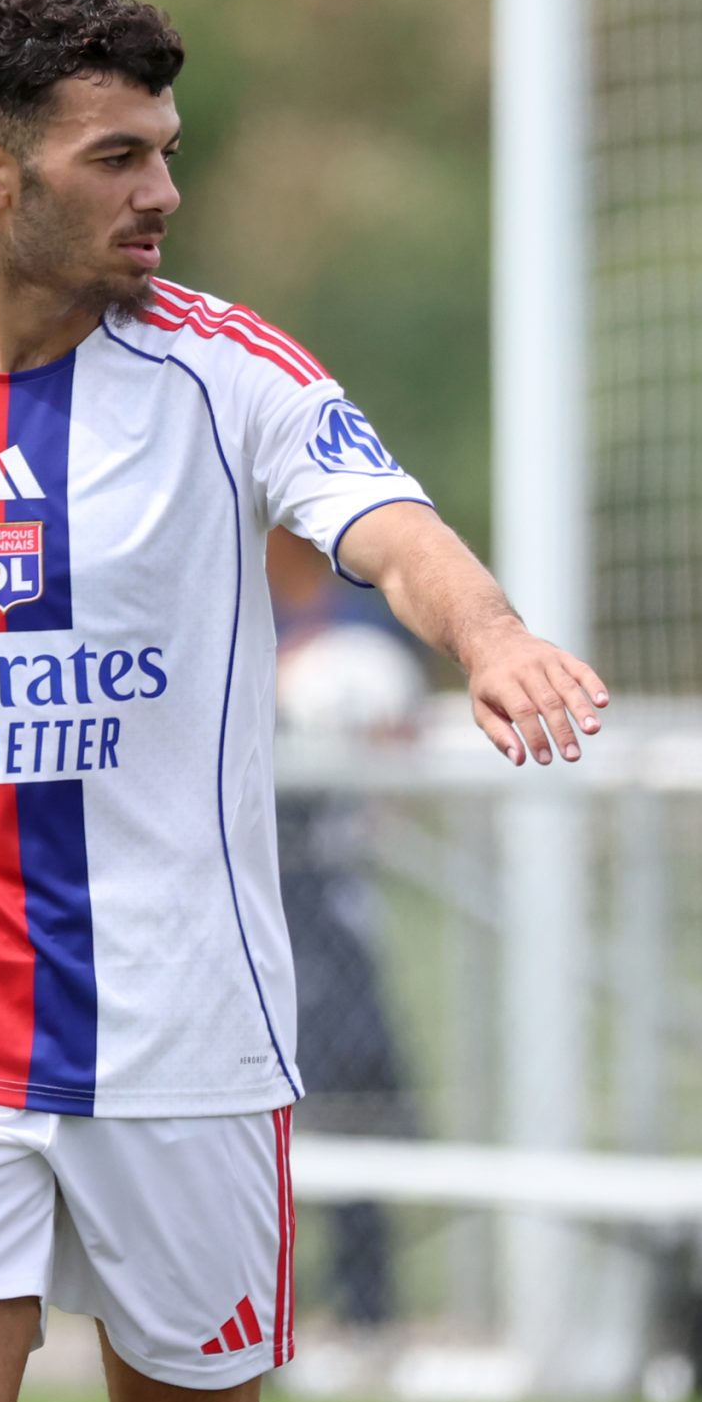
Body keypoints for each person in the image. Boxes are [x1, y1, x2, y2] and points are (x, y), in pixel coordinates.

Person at [0, 0, 609, 1402]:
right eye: (118, 156)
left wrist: (490, 633)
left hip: (185, 1031)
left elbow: (388, 523)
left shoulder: (223, 365)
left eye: (168, 149)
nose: (163, 189)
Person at [268, 525, 426, 1338]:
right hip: (264, 906)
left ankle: (366, 1309)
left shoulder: (359, 630)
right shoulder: (236, 616)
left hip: (334, 906)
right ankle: (258, 1308)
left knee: (364, 1097)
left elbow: (401, 742)